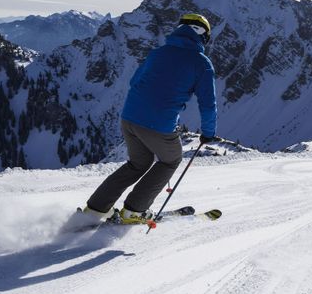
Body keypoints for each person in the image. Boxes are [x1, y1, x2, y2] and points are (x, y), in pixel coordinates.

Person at [81, 13, 219, 225]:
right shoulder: (202, 63)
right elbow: (208, 105)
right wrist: (208, 133)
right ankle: (134, 211)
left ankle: (95, 209)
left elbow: (135, 81)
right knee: (170, 160)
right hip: (159, 125)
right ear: (203, 36)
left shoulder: (158, 53)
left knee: (138, 163)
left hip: (129, 117)